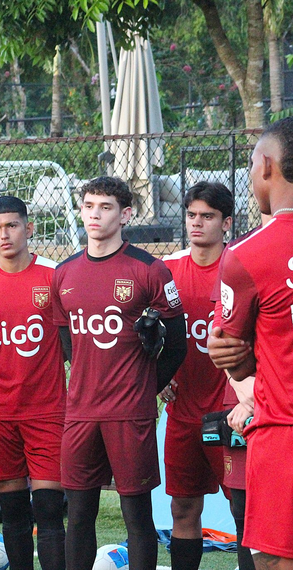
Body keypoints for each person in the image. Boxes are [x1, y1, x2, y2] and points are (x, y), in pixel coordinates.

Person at [51, 176, 187, 570]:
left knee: (137, 517)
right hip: (80, 412)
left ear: (126, 214)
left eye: (105, 207)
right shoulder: (64, 273)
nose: (95, 214)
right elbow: (69, 345)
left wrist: (145, 389)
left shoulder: (150, 270)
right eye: (89, 206)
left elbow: (176, 345)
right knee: (77, 515)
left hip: (130, 413)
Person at [0, 197, 66, 570]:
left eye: (11, 225)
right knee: (12, 511)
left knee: (50, 510)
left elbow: (70, 340)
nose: (3, 234)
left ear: (29, 228)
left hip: (48, 409)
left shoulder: (55, 275)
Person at [213, 118, 293, 569]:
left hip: (283, 434)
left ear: (266, 165)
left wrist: (227, 351)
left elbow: (235, 358)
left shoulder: (246, 255)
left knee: (274, 562)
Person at [160, 182, 233, 570]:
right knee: (183, 507)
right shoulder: (167, 270)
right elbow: (144, 331)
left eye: (207, 216)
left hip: (231, 411)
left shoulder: (240, 266)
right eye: (191, 215)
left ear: (227, 223)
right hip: (183, 412)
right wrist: (159, 373)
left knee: (244, 506)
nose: (197, 223)